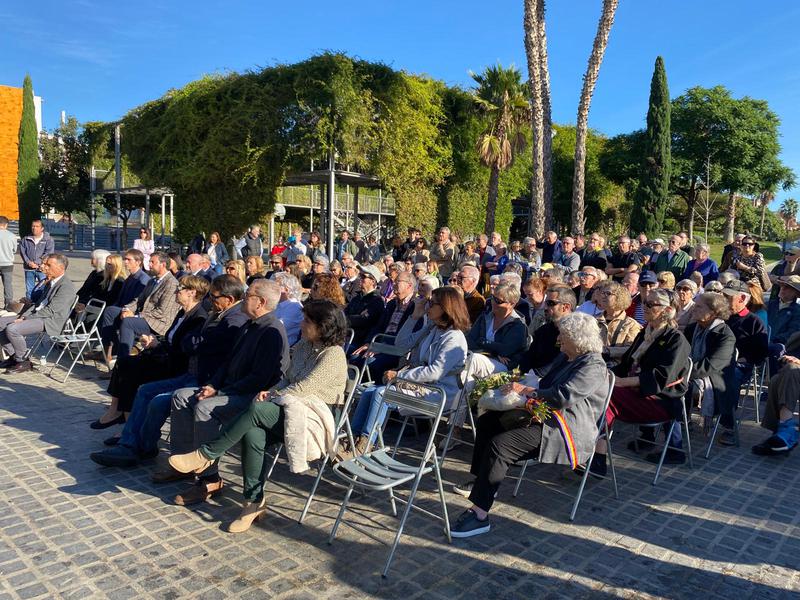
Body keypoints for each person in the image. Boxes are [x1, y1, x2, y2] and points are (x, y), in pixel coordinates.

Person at [169, 299, 347, 532]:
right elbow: (287, 378)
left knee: (256, 409)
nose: (301, 325)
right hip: (288, 407)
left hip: (315, 415)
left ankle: (206, 453)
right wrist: (271, 392)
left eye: (307, 321)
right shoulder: (304, 346)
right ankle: (252, 503)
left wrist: (272, 397)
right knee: (253, 432)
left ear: (323, 326)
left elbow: (305, 388)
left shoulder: (333, 355)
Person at [450, 312, 608, 538]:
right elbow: (546, 385)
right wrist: (516, 386)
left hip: (565, 428)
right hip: (542, 414)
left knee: (500, 446)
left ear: (578, 339)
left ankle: (479, 514)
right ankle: (481, 484)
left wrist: (525, 391)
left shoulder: (593, 365)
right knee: (487, 421)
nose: (558, 340)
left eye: (563, 336)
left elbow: (562, 396)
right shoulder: (567, 357)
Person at [90, 276, 249, 470]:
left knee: (153, 395)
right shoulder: (217, 313)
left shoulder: (232, 319)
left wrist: (187, 343)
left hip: (204, 379)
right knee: (139, 382)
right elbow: (188, 341)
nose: (210, 300)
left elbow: (197, 344)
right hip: (192, 371)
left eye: (214, 297)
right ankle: (132, 444)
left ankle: (135, 445)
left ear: (229, 299)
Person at [168, 279, 289, 506]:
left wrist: (220, 391)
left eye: (249, 294)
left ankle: (209, 479)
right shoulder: (249, 324)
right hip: (228, 388)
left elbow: (259, 379)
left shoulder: (271, 331)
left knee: (205, 408)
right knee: (181, 396)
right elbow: (226, 363)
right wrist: (213, 385)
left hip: (249, 396)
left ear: (261, 302)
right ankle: (182, 462)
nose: (243, 297)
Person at [344, 286, 470, 456]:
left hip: (439, 393)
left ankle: (365, 444)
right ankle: (352, 438)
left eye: (432, 303)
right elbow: (401, 345)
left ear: (446, 308)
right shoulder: (432, 328)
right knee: (370, 391)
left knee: (382, 394)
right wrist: (415, 316)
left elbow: (435, 372)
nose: (428, 306)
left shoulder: (454, 337)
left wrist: (399, 375)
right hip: (421, 387)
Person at [586, 289, 691, 476]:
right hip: (636, 394)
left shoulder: (676, 340)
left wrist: (621, 382)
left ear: (668, 310)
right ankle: (594, 456)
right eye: (645, 302)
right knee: (596, 389)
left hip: (660, 400)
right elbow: (626, 363)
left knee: (607, 396)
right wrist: (606, 375)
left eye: (651, 304)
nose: (645, 306)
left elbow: (661, 377)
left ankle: (596, 456)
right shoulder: (645, 333)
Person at [92, 275, 211, 429]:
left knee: (132, 371)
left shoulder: (198, 317)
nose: (176, 291)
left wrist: (156, 345)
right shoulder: (183, 312)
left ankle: (128, 422)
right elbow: (170, 338)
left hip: (175, 366)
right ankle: (116, 411)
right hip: (165, 357)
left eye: (180, 288)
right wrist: (154, 341)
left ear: (192, 292)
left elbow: (183, 349)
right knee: (124, 362)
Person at [0, 254, 76, 373]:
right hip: (38, 315)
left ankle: (23, 360)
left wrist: (26, 319)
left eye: (48, 265)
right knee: (1, 323)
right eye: (45, 264)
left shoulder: (66, 286)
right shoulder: (51, 282)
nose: (44, 267)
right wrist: (24, 316)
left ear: (60, 268)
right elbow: (38, 304)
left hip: (50, 320)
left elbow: (51, 310)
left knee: (12, 329)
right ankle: (14, 356)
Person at [104, 253, 181, 359]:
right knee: (110, 311)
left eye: (152, 262)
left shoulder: (171, 284)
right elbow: (138, 300)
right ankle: (110, 350)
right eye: (149, 261)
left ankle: (123, 362)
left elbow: (162, 312)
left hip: (159, 323)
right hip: (145, 316)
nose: (149, 265)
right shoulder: (152, 280)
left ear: (163, 265)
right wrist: (127, 309)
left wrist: (136, 316)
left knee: (128, 322)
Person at [720, 280, 769, 445]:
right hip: (715, 362)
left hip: (741, 365)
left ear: (741, 298)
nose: (724, 299)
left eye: (728, 296)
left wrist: (739, 358)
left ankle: (728, 426)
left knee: (729, 377)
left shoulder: (754, 322)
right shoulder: (721, 318)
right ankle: (681, 419)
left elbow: (760, 354)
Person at [684, 293, 737, 436]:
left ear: (713, 312)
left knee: (679, 386)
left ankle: (679, 423)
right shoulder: (691, 329)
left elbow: (711, 367)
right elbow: (680, 355)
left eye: (699, 306)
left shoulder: (725, 335)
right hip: (691, 374)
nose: (694, 308)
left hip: (715, 381)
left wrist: (682, 374)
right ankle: (674, 422)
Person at [466, 281, 528, 378]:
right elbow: (470, 340)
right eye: (493, 298)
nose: (493, 302)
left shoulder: (517, 324)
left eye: (499, 301)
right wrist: (492, 351)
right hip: (482, 357)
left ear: (511, 304)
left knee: (474, 360)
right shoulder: (485, 317)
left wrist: (482, 341)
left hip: (504, 367)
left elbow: (506, 350)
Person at [595, 281, 641, 361]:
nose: (603, 296)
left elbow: (631, 349)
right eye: (603, 293)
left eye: (608, 293)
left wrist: (607, 351)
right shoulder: (593, 320)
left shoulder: (631, 325)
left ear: (620, 297)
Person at [344, 264, 385, 349]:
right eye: (360, 276)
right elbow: (345, 313)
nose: (360, 279)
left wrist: (345, 319)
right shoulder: (357, 298)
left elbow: (363, 320)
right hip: (347, 337)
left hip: (360, 341)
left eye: (363, 276)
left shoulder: (376, 300)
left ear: (372, 281)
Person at [19, 220, 55, 299]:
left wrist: (37, 263)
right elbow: (22, 252)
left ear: (42, 228)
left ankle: (41, 305)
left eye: (37, 226)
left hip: (42, 269)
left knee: (44, 288)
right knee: (29, 289)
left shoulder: (48, 240)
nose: (34, 228)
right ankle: (28, 305)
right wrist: (29, 262)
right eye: (33, 226)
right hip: (29, 268)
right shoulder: (26, 239)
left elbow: (49, 253)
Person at [272, 272, 304, 346]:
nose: (271, 289)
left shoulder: (295, 307)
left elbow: (276, 327)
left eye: (274, 287)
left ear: (286, 289)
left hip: (282, 349)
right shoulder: (278, 304)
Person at [0, 216, 18, 308]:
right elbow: (14, 250)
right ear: (6, 224)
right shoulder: (12, 235)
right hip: (7, 264)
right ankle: (8, 305)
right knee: (7, 285)